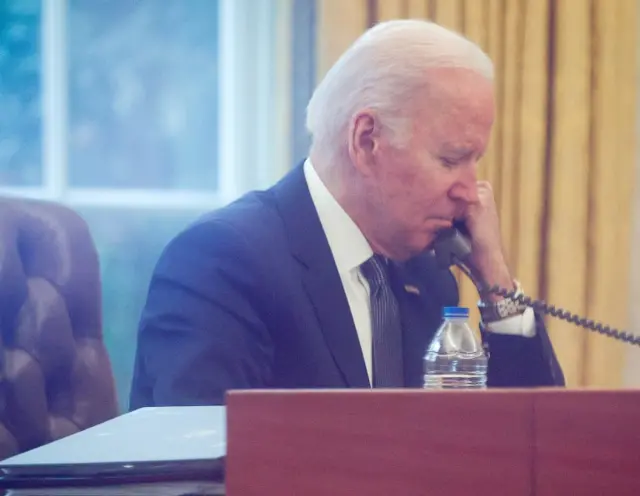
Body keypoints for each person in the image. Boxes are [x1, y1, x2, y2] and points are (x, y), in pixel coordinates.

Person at [129, 19, 564, 409]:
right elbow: (203, 467)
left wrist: (497, 285)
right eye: (451, 160)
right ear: (367, 140)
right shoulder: (224, 261)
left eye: (476, 162)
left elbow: (533, 444)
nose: (471, 193)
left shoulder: (428, 279)